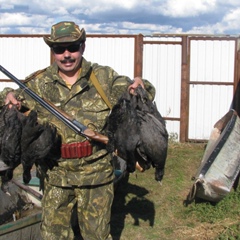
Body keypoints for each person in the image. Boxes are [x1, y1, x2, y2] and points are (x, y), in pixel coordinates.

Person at [0, 21, 156, 240]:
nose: (66, 54)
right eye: (59, 49)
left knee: (97, 236)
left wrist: (140, 85)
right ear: (52, 51)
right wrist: (7, 95)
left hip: (96, 175)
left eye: (72, 47)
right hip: (55, 175)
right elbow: (8, 97)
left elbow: (142, 90)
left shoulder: (103, 78)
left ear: (83, 46)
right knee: (53, 237)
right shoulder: (39, 83)